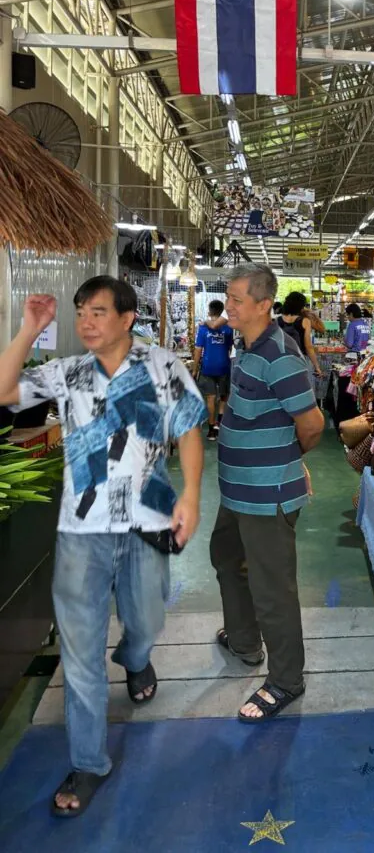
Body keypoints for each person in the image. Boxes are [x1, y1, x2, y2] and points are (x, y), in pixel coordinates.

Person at [0, 277, 206, 817]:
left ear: (127, 317)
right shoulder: (68, 371)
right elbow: (3, 392)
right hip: (80, 533)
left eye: (97, 312)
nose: (85, 322)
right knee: (80, 656)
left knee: (146, 620)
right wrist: (29, 329)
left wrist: (190, 493)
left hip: (146, 522)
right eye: (79, 313)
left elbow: (187, 430)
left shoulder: (163, 366)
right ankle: (89, 763)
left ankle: (136, 658)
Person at [210, 266, 324, 722]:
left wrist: (287, 460)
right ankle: (243, 640)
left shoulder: (281, 355)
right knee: (225, 560)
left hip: (267, 495)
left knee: (272, 588)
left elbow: (312, 425)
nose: (229, 306)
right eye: (228, 298)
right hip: (236, 493)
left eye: (236, 299)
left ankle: (285, 680)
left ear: (262, 305)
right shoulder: (247, 347)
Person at [194, 300, 235, 441]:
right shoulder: (228, 328)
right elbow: (230, 348)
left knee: (210, 398)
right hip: (224, 365)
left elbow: (198, 350)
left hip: (208, 366)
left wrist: (194, 369)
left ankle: (211, 430)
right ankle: (220, 424)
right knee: (223, 396)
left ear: (210, 311)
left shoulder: (203, 328)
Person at [276, 291, 322, 378]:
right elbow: (308, 346)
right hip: (298, 363)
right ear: (300, 306)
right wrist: (317, 366)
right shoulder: (305, 321)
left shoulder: (276, 321)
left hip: (279, 363)